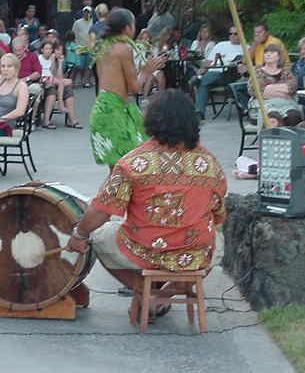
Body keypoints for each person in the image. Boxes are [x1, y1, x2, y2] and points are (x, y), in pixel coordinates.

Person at [67, 90, 227, 307]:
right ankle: (164, 296)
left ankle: (146, 294)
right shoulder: (210, 163)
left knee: (99, 236)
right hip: (194, 254)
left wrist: (80, 234)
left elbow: (102, 210)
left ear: (152, 121)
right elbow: (218, 214)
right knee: (218, 243)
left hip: (145, 251)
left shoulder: (133, 162)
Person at [90, 8, 165, 167]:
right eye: (134, 24)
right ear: (126, 28)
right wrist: (147, 71)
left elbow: (112, 80)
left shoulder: (103, 47)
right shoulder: (124, 48)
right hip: (115, 111)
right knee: (129, 164)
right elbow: (135, 88)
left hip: (101, 108)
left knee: (116, 168)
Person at [193, 26, 243, 120]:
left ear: (241, 34)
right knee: (205, 83)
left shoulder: (245, 47)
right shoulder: (221, 45)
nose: (232, 36)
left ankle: (198, 80)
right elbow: (208, 61)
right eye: (230, 34)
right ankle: (199, 112)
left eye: (235, 34)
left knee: (204, 81)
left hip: (231, 74)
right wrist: (200, 71)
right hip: (215, 72)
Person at [248, 43, 301, 129]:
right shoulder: (257, 71)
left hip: (285, 104)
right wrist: (282, 91)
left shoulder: (286, 72)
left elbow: (291, 88)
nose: (268, 54)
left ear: (279, 57)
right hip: (264, 105)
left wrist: (269, 88)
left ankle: (288, 136)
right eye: (266, 53)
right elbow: (254, 90)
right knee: (274, 117)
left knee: (294, 116)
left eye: (272, 52)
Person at [0, 53, 29, 136]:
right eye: (3, 66)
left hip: (4, 125)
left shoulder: (21, 86)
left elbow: (20, 111)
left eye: (9, 66)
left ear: (16, 68)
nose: (5, 69)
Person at [41, 42, 82, 129]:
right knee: (53, 90)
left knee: (68, 89)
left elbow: (59, 77)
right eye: (57, 50)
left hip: (56, 83)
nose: (59, 52)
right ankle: (47, 119)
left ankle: (72, 119)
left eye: (61, 51)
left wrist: (60, 64)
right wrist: (53, 61)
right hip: (47, 83)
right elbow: (50, 73)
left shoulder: (59, 60)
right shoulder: (49, 59)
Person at [73, 6, 94, 87]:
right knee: (79, 66)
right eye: (85, 12)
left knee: (88, 66)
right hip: (79, 47)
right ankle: (75, 80)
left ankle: (85, 81)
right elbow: (74, 34)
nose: (86, 13)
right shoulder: (77, 22)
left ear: (91, 13)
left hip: (90, 47)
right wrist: (75, 45)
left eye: (88, 12)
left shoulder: (93, 22)